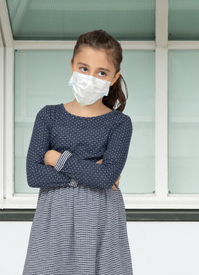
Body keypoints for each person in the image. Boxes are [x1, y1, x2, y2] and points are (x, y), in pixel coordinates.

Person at [23, 30, 133, 275]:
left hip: (101, 220)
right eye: (84, 68)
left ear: (114, 78)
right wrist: (90, 172)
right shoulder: (48, 116)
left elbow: (105, 179)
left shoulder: (119, 123)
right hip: (54, 219)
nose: (91, 77)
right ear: (72, 65)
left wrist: (56, 159)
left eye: (101, 72)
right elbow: (33, 175)